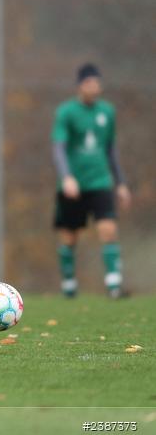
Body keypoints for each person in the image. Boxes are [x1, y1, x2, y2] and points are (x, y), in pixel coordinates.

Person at [52, 63, 131, 298]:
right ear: (80, 86)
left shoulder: (107, 112)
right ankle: (68, 283)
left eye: (97, 83)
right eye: (89, 83)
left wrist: (121, 183)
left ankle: (114, 285)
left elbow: (110, 149)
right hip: (73, 185)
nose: (94, 87)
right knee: (69, 237)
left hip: (100, 182)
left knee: (108, 229)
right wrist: (66, 177)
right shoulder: (66, 112)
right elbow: (58, 148)